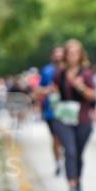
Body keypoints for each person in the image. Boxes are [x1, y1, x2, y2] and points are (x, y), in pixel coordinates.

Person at [55, 39, 96, 191]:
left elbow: (93, 96)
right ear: (65, 55)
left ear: (80, 55)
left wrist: (81, 87)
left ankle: (78, 182)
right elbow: (53, 91)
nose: (72, 56)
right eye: (69, 53)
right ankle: (71, 186)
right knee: (70, 151)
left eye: (75, 53)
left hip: (83, 119)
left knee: (78, 154)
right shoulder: (60, 74)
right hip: (64, 118)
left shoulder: (86, 74)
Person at [37, 47, 65, 176]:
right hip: (51, 110)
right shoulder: (47, 71)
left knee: (65, 138)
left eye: (61, 54)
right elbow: (39, 90)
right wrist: (49, 90)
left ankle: (66, 156)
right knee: (55, 138)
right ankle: (58, 162)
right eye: (56, 54)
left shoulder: (68, 69)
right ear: (52, 56)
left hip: (67, 110)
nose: (58, 57)